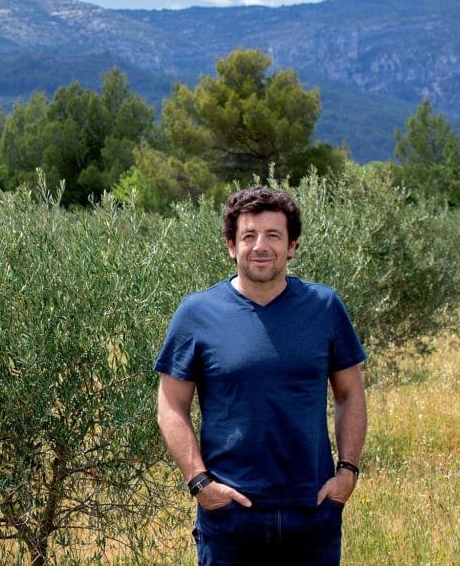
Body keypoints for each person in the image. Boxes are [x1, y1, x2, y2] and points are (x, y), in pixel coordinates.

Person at [155, 186, 368, 565]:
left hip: (312, 509)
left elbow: (350, 393)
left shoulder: (324, 307)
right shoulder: (196, 314)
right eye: (248, 235)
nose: (260, 246)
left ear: (292, 246)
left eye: (273, 235)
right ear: (231, 246)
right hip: (230, 516)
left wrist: (347, 473)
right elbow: (170, 406)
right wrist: (201, 484)